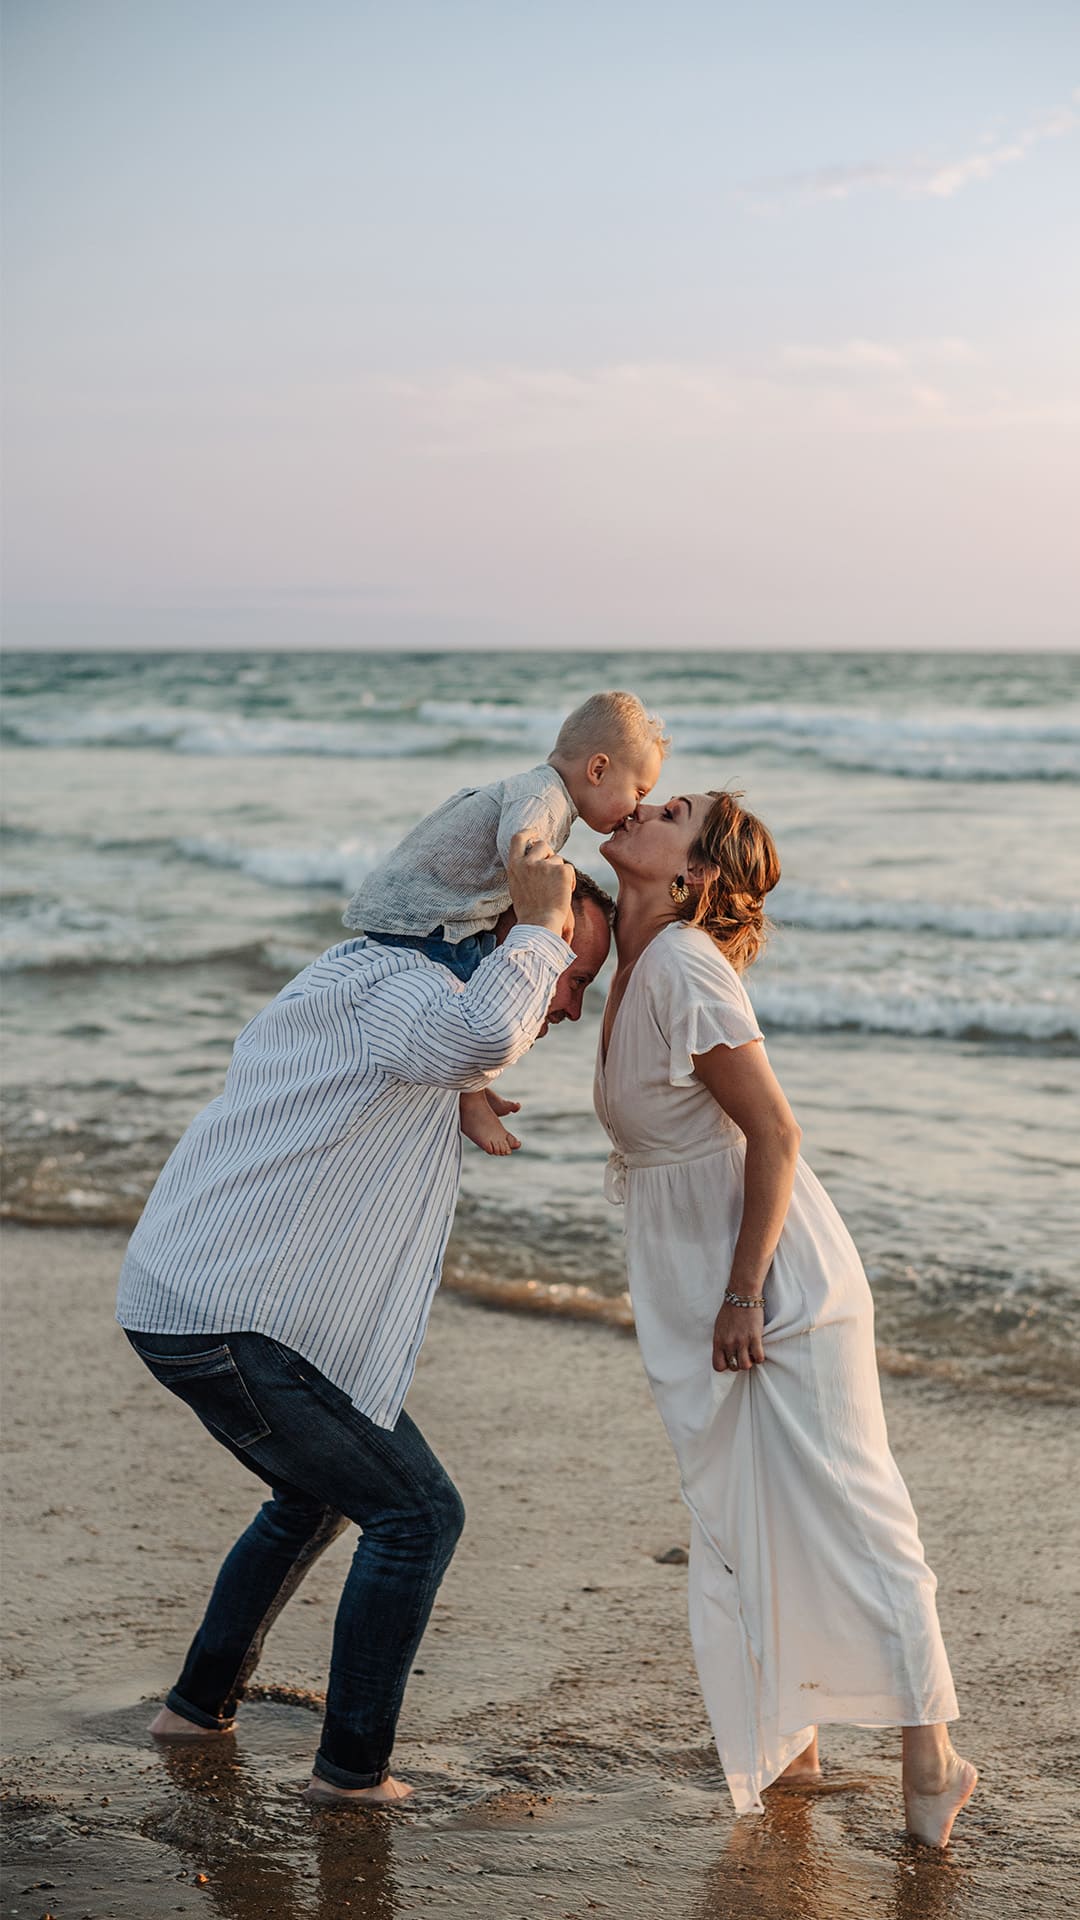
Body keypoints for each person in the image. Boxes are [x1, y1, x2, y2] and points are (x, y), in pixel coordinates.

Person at [116, 836, 614, 1807]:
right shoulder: (403, 992)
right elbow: (477, 1034)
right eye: (570, 967)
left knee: (314, 1497)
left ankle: (196, 1705)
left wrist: (465, 1088)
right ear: (503, 930)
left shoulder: (393, 983)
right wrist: (543, 931)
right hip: (228, 1316)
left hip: (198, 1300)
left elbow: (459, 1043)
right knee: (419, 1514)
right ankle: (350, 1774)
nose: (568, 998)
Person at [594, 789, 977, 1849]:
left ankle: (933, 1763)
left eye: (670, 811)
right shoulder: (629, 952)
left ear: (696, 873)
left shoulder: (679, 968)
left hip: (777, 1287)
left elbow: (776, 1134)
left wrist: (743, 1292)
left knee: (856, 1520)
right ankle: (790, 1741)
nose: (641, 806)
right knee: (741, 1509)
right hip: (704, 1272)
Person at [343, 689, 667, 1155]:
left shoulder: (544, 794)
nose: (637, 808)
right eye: (638, 791)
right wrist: (552, 909)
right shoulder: (544, 797)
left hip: (424, 913)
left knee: (476, 993)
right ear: (598, 770)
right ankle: (469, 1097)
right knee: (477, 1002)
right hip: (430, 920)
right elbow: (522, 847)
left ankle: (469, 1088)